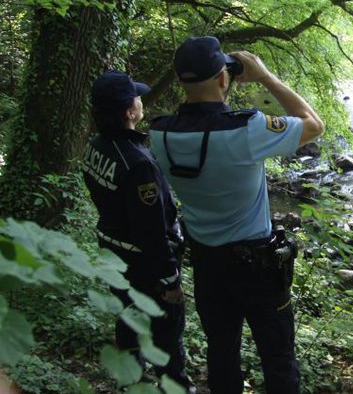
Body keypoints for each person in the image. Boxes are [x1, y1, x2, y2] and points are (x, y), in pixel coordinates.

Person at [149, 36, 324, 394]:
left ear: (181, 81)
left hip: (207, 263)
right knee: (277, 358)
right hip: (258, 267)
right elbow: (313, 124)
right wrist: (266, 77)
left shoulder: (160, 133)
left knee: (222, 352)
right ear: (223, 79)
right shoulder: (247, 129)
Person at [81, 70, 195, 393]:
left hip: (114, 256)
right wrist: (170, 280)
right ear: (129, 112)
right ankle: (176, 387)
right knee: (166, 337)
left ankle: (130, 382)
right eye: (137, 97)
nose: (141, 100)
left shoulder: (95, 146)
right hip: (143, 266)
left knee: (128, 321)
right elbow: (152, 232)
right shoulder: (137, 164)